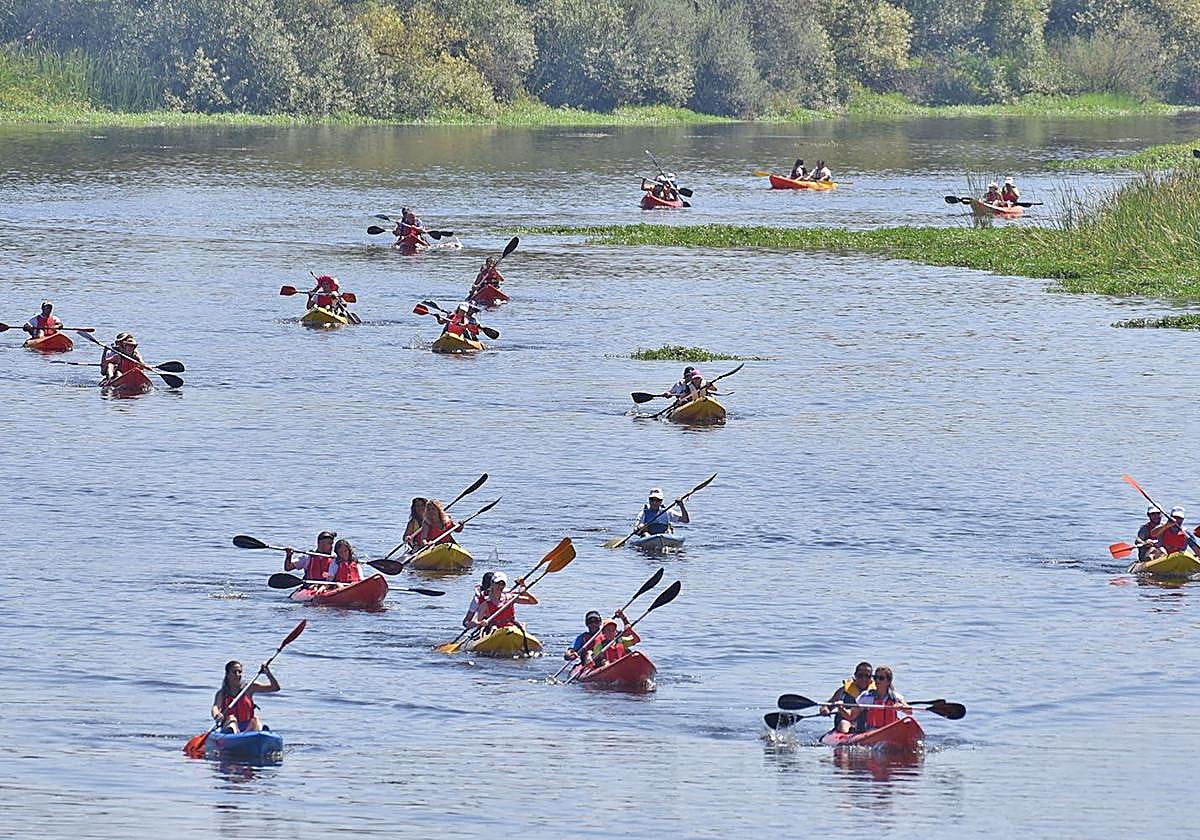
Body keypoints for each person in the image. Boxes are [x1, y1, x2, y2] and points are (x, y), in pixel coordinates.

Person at [210, 659, 280, 733]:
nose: (237, 674)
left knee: (255, 719)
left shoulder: (249, 687)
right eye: (234, 672)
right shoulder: (222, 693)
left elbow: (275, 688)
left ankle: (260, 734)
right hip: (229, 725)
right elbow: (216, 707)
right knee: (231, 718)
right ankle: (230, 732)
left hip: (247, 728)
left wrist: (268, 673)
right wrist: (217, 715)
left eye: (239, 672)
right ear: (227, 674)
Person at [849, 665, 912, 732]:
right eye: (875, 678)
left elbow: (909, 711)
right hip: (872, 731)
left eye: (881, 678)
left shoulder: (896, 697)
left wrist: (901, 707)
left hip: (891, 730)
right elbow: (852, 715)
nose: (877, 680)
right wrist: (841, 708)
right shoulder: (866, 696)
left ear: (888, 682)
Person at [469, 571, 537, 631]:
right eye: (497, 583)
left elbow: (534, 602)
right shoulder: (486, 603)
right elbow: (473, 622)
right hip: (495, 629)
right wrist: (480, 623)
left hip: (511, 627)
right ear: (492, 584)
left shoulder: (510, 597)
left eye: (502, 584)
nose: (500, 586)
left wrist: (526, 593)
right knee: (493, 628)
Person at [819, 662, 874, 734]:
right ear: (855, 676)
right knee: (844, 724)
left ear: (871, 678)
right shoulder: (843, 690)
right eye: (860, 675)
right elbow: (827, 705)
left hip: (864, 722)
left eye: (867, 676)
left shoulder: (875, 691)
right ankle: (848, 735)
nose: (863, 679)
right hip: (846, 720)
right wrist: (825, 710)